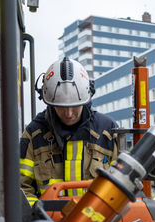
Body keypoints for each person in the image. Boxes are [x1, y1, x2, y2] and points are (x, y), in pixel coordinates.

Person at [19, 57, 119, 206]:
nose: (69, 114)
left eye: (75, 106)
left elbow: (120, 186)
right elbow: (22, 188)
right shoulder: (34, 135)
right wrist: (40, 216)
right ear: (50, 103)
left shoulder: (107, 131)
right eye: (61, 107)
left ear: (86, 99)